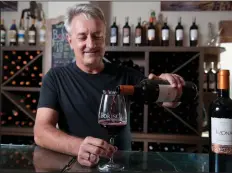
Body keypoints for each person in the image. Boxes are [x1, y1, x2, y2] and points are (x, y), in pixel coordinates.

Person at [34, 3, 185, 167]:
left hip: (121, 166)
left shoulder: (126, 75)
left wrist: (168, 86)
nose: (91, 44)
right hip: (76, 166)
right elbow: (41, 132)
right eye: (82, 37)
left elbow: (170, 100)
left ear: (105, 39)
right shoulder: (55, 78)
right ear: (70, 41)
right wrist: (79, 147)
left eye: (97, 36)